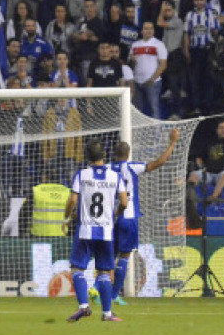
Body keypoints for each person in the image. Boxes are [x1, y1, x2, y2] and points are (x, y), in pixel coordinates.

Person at [91, 128, 179, 307]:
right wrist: (173, 142)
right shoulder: (132, 167)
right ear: (128, 154)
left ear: (113, 154)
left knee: (108, 256)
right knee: (124, 256)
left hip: (109, 218)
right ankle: (114, 294)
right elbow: (160, 162)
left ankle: (95, 287)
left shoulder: (105, 168)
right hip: (127, 217)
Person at [64, 140, 128, 323]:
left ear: (86, 158)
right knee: (104, 273)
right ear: (104, 156)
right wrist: (115, 215)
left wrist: (66, 218)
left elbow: (72, 201)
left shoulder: (81, 175)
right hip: (106, 231)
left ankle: (84, 307)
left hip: (85, 230)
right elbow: (124, 202)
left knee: (77, 268)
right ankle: (107, 313)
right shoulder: (115, 176)